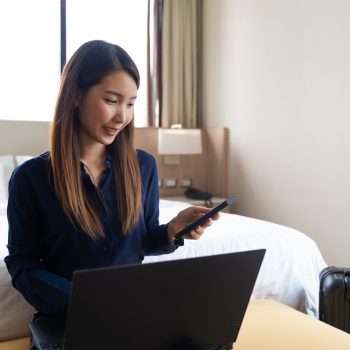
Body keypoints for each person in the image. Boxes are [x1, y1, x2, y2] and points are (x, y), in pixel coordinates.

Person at [5, 40, 219, 320]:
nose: (122, 117)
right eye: (111, 100)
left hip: (132, 315)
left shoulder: (143, 166)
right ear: (76, 94)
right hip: (70, 319)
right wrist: (84, 302)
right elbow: (23, 264)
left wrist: (172, 230)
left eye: (130, 104)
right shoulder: (30, 178)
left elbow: (140, 242)